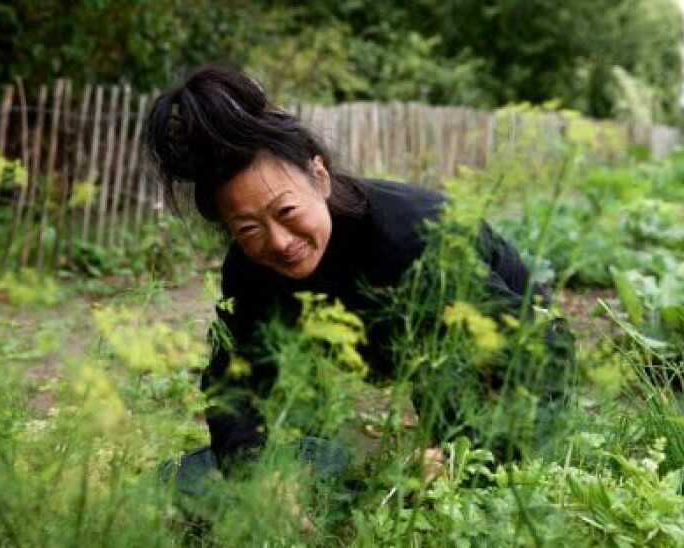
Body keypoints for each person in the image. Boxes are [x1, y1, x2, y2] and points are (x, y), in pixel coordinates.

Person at [145, 65, 574, 488]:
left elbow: (543, 350)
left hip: (490, 341)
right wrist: (258, 476)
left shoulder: (413, 239)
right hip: (386, 345)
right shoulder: (249, 268)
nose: (278, 241)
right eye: (249, 229)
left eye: (286, 212)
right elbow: (235, 384)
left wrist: (470, 449)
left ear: (320, 177)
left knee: (460, 444)